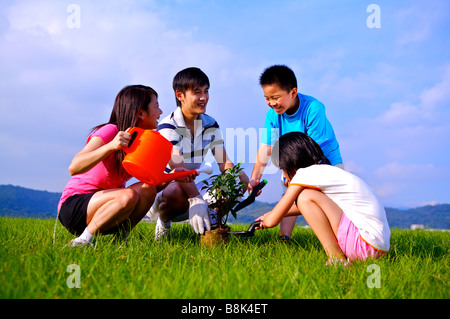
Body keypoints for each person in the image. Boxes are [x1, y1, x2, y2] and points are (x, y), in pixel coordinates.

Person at [57, 85, 196, 247]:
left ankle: (120, 240)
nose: (160, 112)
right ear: (140, 113)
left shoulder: (143, 141)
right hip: (74, 207)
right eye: (156, 106)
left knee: (148, 189)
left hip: (108, 207)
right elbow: (74, 167)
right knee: (127, 196)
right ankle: (82, 241)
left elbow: (154, 185)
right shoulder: (111, 131)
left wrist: (175, 175)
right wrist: (111, 146)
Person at [256, 132, 390, 264]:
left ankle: (336, 259)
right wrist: (269, 214)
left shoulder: (304, 174)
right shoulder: (324, 172)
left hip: (362, 244)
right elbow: (312, 207)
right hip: (377, 248)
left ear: (293, 161)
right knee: (306, 198)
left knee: (304, 197)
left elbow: (272, 221)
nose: (285, 176)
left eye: (283, 169)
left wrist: (268, 219)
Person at [147, 67, 249, 240]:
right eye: (197, 92)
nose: (203, 98)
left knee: (237, 179)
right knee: (176, 189)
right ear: (180, 95)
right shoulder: (168, 126)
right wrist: (196, 198)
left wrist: (241, 179)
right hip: (165, 191)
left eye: (206, 91)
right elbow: (177, 167)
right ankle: (164, 222)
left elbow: (224, 162)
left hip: (193, 185)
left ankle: (211, 226)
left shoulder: (210, 124)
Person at [249, 65, 344, 242]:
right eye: (267, 98)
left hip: (326, 163)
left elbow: (313, 150)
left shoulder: (313, 108)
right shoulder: (272, 115)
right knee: (289, 194)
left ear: (293, 93)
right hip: (294, 163)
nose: (271, 103)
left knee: (326, 203)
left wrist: (296, 176)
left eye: (276, 97)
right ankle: (284, 238)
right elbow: (266, 148)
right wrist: (255, 178)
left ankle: (339, 239)